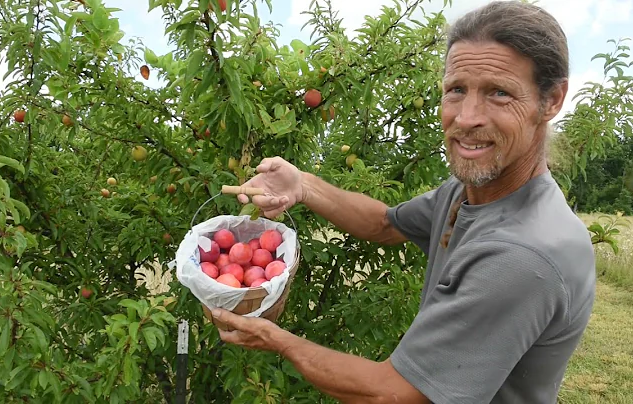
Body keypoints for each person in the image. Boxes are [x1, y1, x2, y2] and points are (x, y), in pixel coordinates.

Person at [209, 1, 597, 403]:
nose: (466, 118)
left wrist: (276, 339)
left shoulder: (520, 255)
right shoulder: (471, 191)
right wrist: (303, 184)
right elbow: (385, 224)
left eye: (499, 93)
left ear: (551, 100)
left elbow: (396, 395)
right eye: (456, 90)